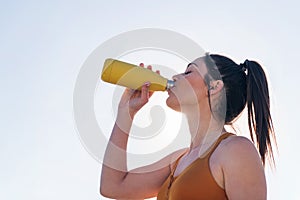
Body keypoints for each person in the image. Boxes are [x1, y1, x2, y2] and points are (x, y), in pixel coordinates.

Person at [100, 53, 277, 200]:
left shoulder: (236, 150)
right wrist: (126, 114)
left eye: (188, 72)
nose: (176, 77)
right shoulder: (177, 161)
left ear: (214, 86)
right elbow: (112, 186)